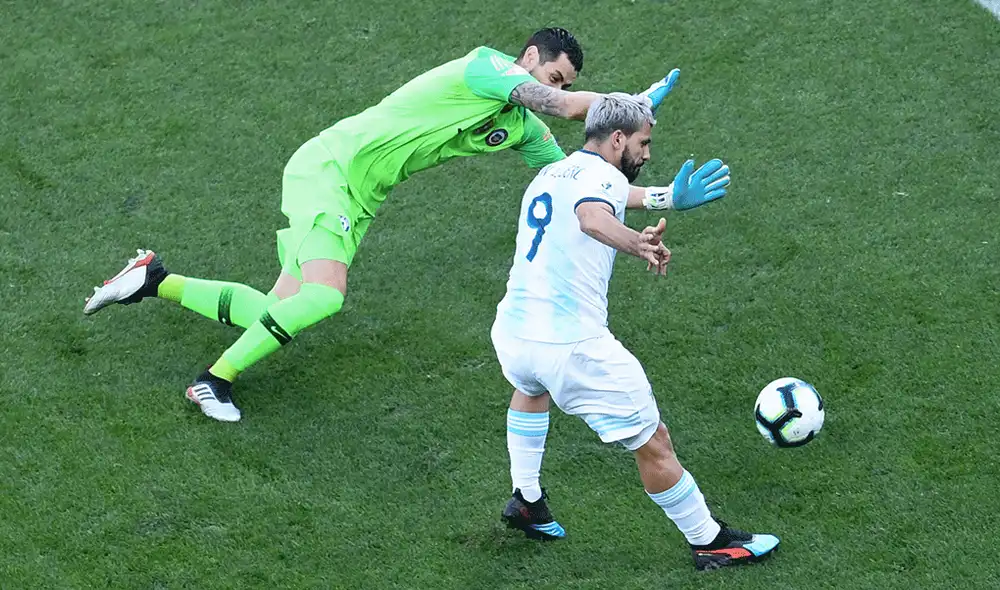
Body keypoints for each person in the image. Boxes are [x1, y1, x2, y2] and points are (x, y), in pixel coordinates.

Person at [81, 28, 686, 422]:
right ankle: (213, 381)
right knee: (325, 295)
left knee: (276, 308)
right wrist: (626, 103)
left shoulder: (523, 130)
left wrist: (664, 196)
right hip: (331, 169)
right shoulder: (486, 66)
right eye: (553, 76)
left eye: (565, 84)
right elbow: (557, 105)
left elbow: (576, 180)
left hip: (360, 195)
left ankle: (153, 279)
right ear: (529, 59)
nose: (555, 90)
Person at [490, 93, 779, 571]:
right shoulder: (601, 180)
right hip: (573, 348)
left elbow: (612, 195)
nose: (647, 154)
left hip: (514, 335)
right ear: (618, 138)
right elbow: (592, 216)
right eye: (643, 143)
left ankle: (527, 499)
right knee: (653, 440)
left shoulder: (555, 172)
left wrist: (668, 199)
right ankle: (709, 541)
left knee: (530, 389)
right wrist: (636, 243)